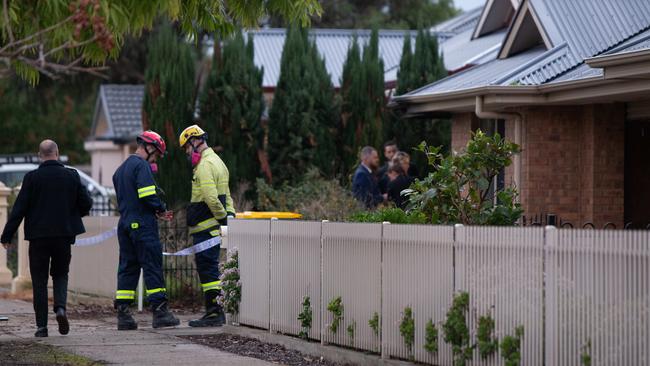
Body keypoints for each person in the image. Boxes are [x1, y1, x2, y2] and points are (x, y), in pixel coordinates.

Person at [1, 140, 92, 337]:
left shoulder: (32, 178)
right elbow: (86, 202)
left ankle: (41, 327)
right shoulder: (72, 175)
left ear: (39, 155)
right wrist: (73, 215)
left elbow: (19, 209)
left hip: (38, 238)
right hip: (63, 236)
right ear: (57, 153)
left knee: (39, 281)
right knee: (60, 274)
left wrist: (7, 235)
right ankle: (60, 308)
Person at [112, 131, 179, 330]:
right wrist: (160, 208)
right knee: (152, 265)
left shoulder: (120, 169)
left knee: (128, 268)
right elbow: (147, 195)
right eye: (156, 154)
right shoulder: (141, 166)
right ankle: (160, 312)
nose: (155, 158)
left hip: (125, 225)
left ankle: (123, 316)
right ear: (149, 148)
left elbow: (130, 199)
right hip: (142, 226)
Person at [179, 125, 236, 327]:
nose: (187, 152)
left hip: (205, 228)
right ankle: (215, 311)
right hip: (214, 227)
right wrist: (230, 216)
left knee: (208, 270)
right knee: (210, 268)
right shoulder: (219, 162)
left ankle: (214, 313)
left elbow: (212, 199)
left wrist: (221, 217)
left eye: (187, 148)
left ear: (195, 142)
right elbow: (227, 196)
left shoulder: (204, 165)